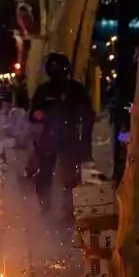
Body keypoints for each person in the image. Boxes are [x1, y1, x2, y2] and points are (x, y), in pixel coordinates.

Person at [29, 52, 95, 217]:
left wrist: (85, 143)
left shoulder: (76, 89)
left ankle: (69, 208)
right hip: (49, 136)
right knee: (44, 173)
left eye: (60, 68)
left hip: (69, 137)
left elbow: (88, 115)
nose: (58, 71)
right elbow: (33, 114)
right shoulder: (44, 90)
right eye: (54, 68)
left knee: (70, 174)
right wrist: (39, 115)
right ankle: (45, 204)